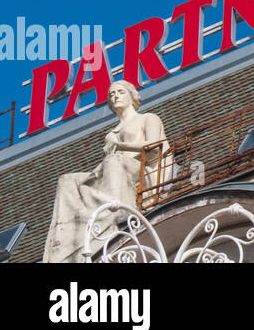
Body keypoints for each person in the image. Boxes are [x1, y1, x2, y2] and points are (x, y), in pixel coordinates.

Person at [43, 80, 168, 263]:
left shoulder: (148, 118)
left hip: (145, 173)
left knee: (114, 161)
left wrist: (118, 144)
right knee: (67, 181)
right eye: (111, 94)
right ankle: (66, 245)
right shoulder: (114, 133)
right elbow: (103, 170)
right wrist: (89, 177)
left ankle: (116, 216)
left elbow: (153, 149)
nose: (115, 96)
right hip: (118, 174)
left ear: (132, 96)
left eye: (120, 92)